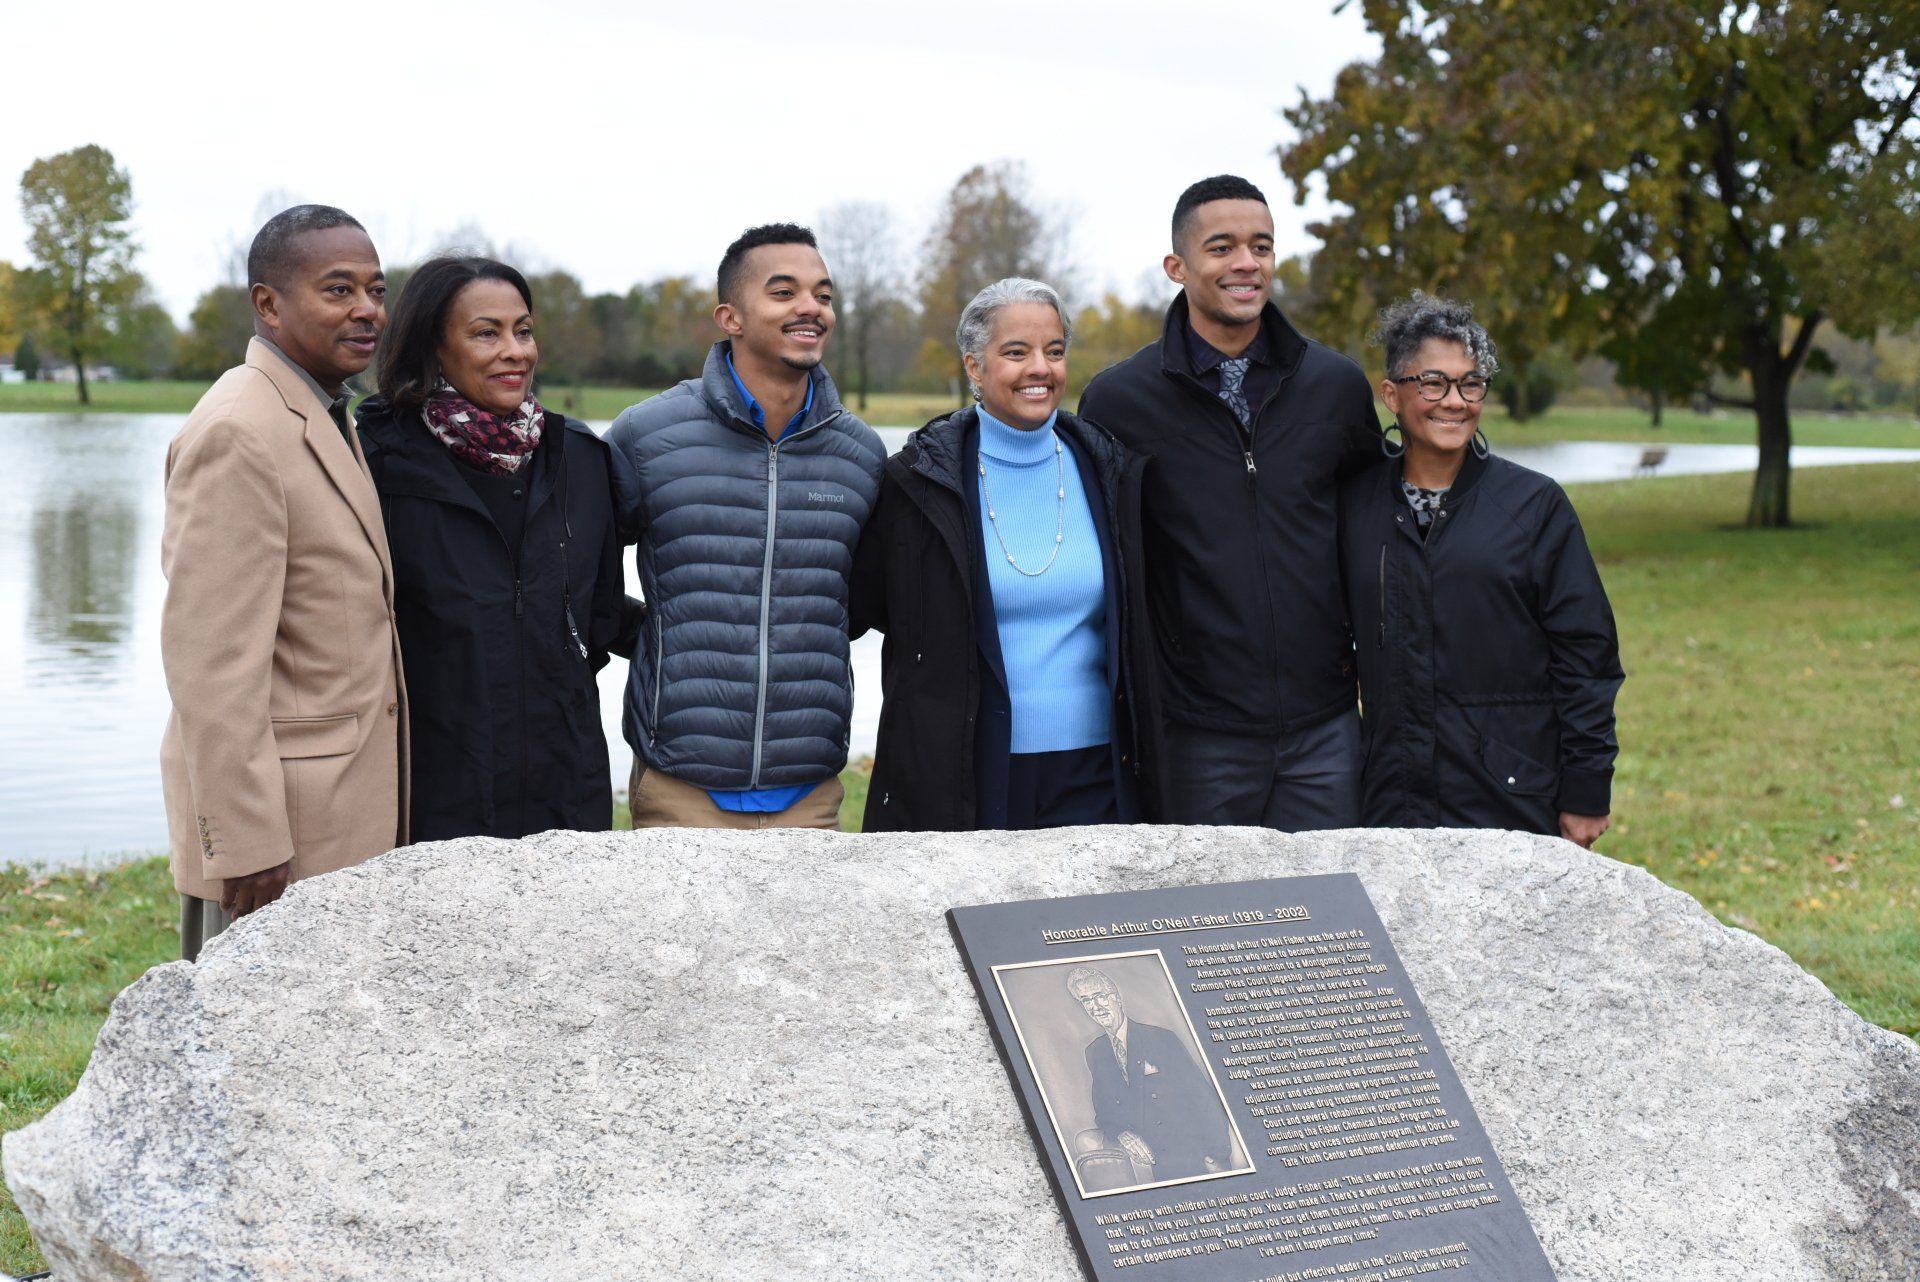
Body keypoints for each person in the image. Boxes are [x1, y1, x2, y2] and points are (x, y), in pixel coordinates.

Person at [1079, 175, 1381, 831]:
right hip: (1195, 736)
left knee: (1334, 917)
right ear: (1176, 266)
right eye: (1222, 248)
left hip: (1325, 726)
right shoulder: (1118, 402)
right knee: (1206, 920)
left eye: (1261, 246)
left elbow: (1374, 533)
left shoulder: (1336, 388)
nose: (1246, 263)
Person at [159, 205, 405, 960]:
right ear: (268, 304)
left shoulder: (323, 411)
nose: (367, 310)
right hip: (277, 851)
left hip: (338, 822)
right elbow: (211, 664)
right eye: (338, 290)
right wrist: (244, 840)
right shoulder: (239, 429)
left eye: (375, 289)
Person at [605, 224, 884, 829]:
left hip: (811, 793)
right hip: (678, 786)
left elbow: (857, 602)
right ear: (729, 317)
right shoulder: (645, 435)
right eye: (784, 293)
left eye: (824, 295)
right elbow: (582, 574)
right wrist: (661, 640)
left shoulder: (862, 455)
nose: (811, 308)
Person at [851, 278, 1155, 830]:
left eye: (1054, 351)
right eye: (1016, 352)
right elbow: (868, 608)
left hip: (1097, 773)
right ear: (973, 365)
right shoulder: (915, 482)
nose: (1040, 368)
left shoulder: (1111, 471)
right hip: (968, 771)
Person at [355, 257, 631, 841]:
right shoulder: (376, 462)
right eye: (487, 333)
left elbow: (600, 612)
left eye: (523, 330)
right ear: (433, 347)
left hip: (568, 794)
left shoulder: (581, 458)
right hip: (434, 795)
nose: (516, 351)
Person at [1339, 295, 1623, 845]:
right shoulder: (1354, 508)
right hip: (1389, 797)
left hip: (1511, 792)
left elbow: (1587, 657)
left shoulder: (1533, 506)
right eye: (1434, 383)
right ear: (1392, 393)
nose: (1455, 401)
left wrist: (1587, 788)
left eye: (1471, 384)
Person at [1067, 966, 1231, 1182]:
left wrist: (1217, 1156)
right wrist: (1121, 1134)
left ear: (1116, 998)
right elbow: (1104, 1112)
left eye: (1100, 997)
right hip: (1146, 1156)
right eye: (1086, 1000)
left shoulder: (1161, 1038)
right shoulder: (1095, 1052)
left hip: (1188, 1149)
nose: (1095, 1007)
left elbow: (1203, 1098)